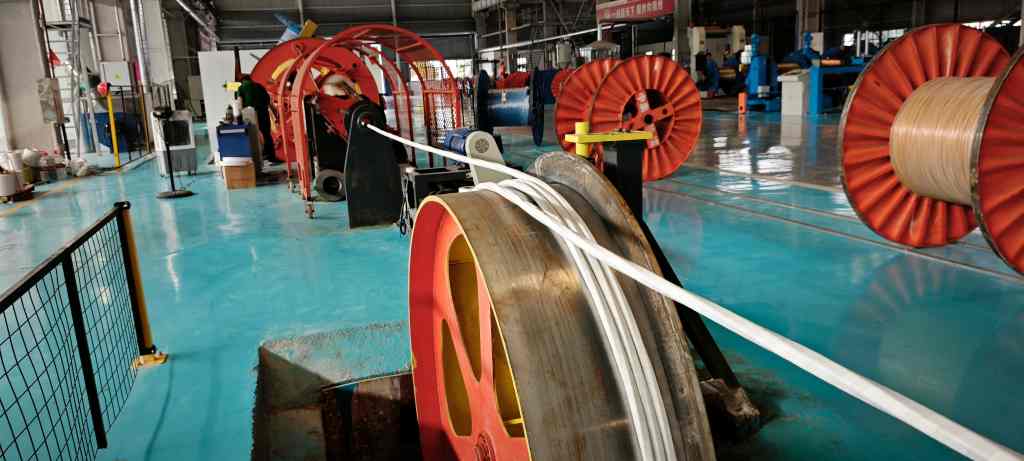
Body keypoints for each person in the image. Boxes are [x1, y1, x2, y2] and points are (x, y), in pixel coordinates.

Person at [235, 75, 279, 164]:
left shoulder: (241, 88)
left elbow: (239, 103)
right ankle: (271, 157)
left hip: (250, 114)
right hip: (263, 112)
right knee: (267, 135)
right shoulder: (259, 86)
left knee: (253, 136)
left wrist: (238, 117)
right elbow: (268, 100)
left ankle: (256, 161)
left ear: (242, 81)